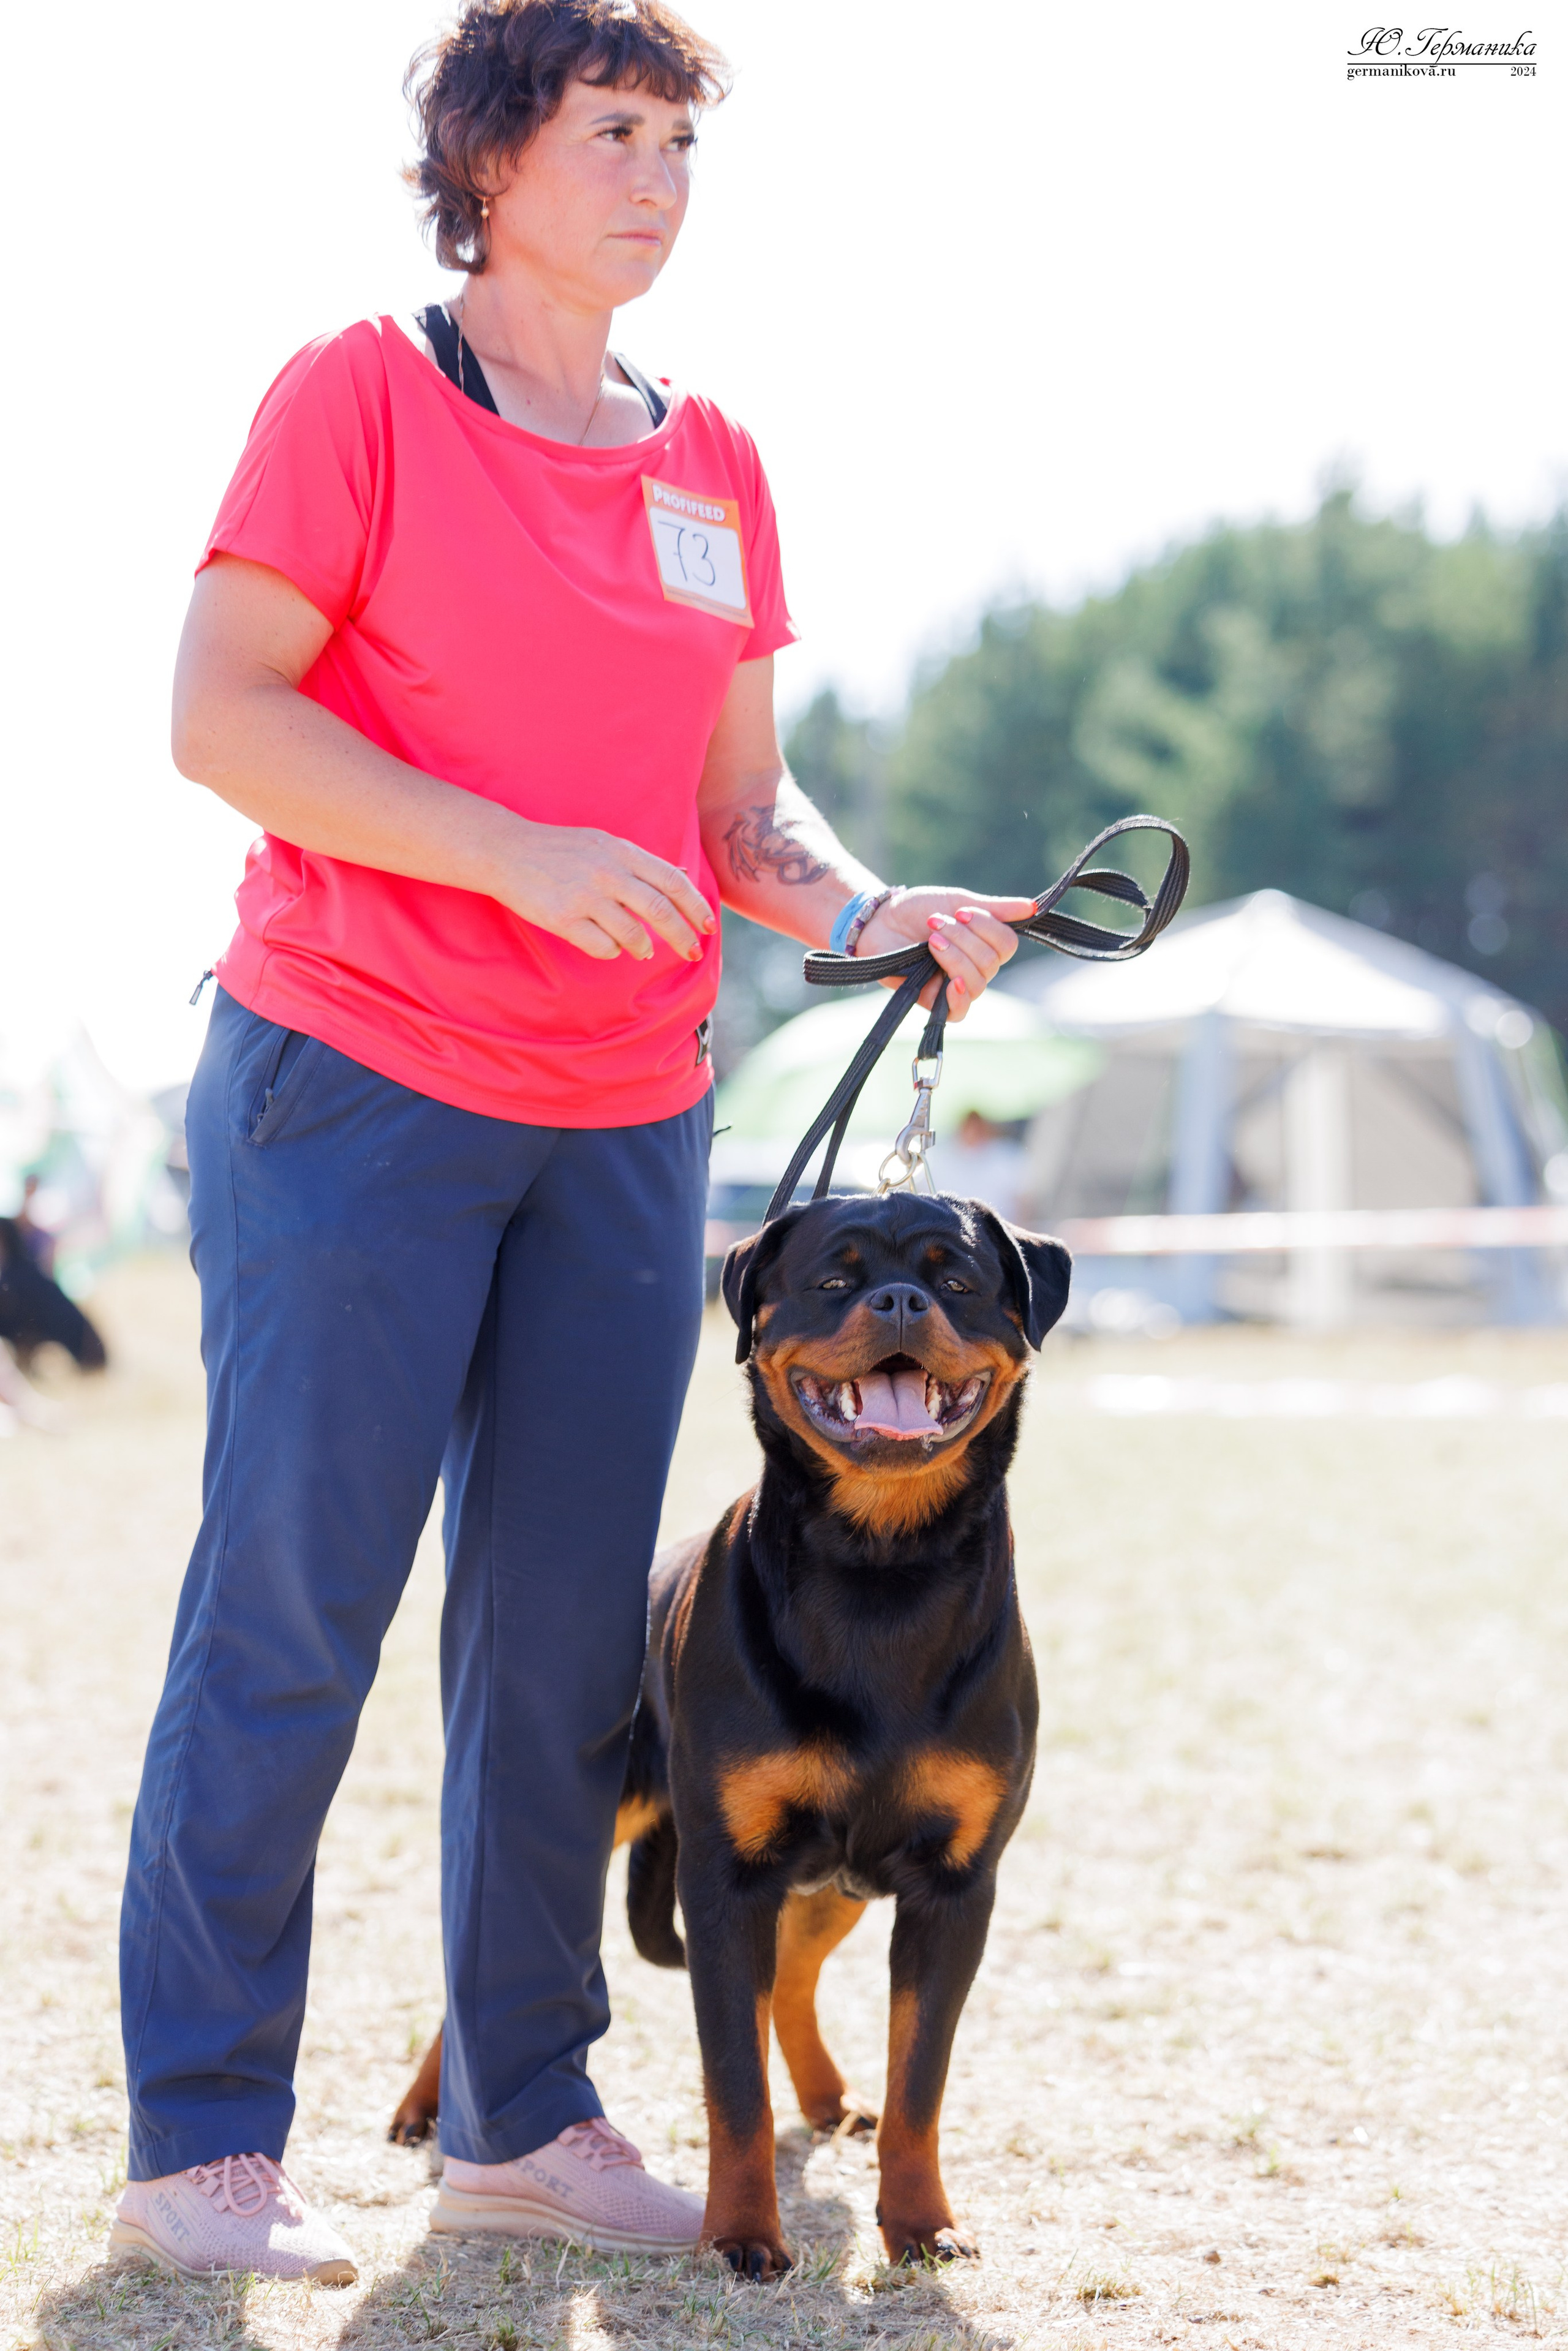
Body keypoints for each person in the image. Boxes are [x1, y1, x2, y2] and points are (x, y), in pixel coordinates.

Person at [111, 0, 1033, 2289]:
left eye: (677, 141)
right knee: (297, 1612)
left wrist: (857, 904)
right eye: (607, 131)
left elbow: (737, 809)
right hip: (358, 1076)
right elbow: (220, 715)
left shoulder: (711, 457)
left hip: (628, 1114)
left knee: (558, 1653)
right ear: (488, 154)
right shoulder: (361, 395)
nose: (653, 177)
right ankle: (205, 2139)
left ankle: (525, 2110)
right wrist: (513, 855)